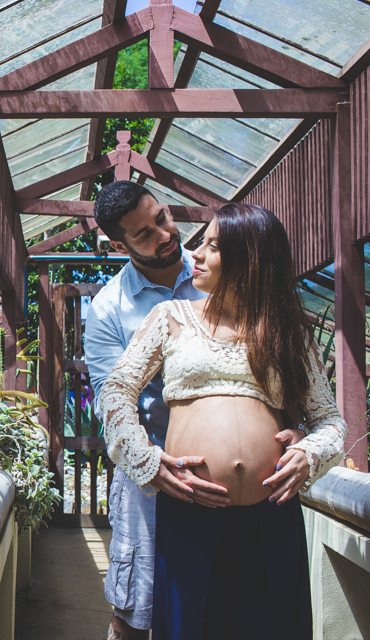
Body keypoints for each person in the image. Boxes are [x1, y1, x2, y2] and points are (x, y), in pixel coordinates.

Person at [97, 202, 347, 640]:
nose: (194, 253)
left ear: (248, 259)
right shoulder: (169, 319)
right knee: (190, 626)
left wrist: (309, 449)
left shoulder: (287, 329)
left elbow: (330, 420)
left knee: (270, 627)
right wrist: (147, 460)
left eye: (212, 246)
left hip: (272, 512)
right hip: (190, 508)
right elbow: (116, 391)